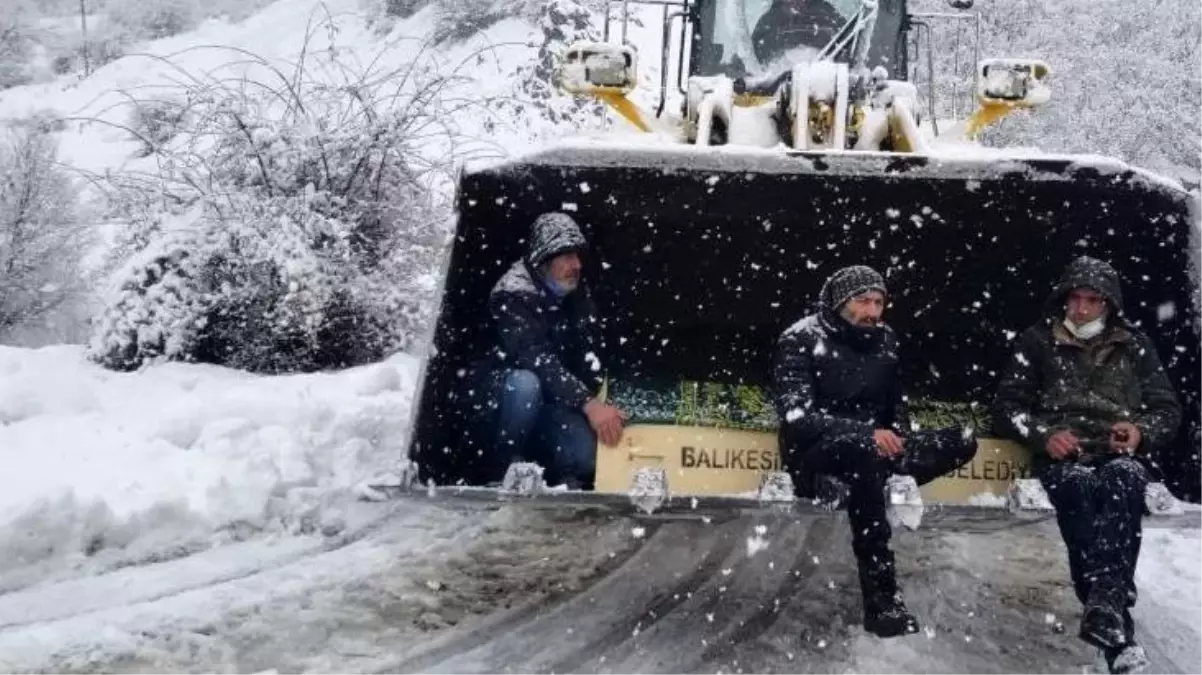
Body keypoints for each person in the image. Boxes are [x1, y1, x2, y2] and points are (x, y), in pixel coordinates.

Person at [991, 256, 1182, 674]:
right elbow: (1007, 407)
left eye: (1091, 300)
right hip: (1064, 457)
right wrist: (1045, 435)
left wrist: (1139, 431)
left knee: (1124, 479)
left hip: (1118, 455)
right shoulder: (1036, 341)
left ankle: (1105, 604)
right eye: (1074, 298)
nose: (1079, 308)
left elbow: (1167, 409)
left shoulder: (1135, 345)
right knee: (1076, 488)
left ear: (1108, 304)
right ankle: (1113, 621)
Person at [773, 264, 978, 638]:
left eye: (878, 302)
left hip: (873, 447)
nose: (871, 311)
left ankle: (872, 477)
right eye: (862, 302)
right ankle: (882, 602)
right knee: (864, 457)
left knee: (962, 439)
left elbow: (894, 405)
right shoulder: (799, 338)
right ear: (839, 303)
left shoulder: (886, 340)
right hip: (816, 451)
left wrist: (895, 435)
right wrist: (866, 434)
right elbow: (796, 416)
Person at [463, 212, 626, 490]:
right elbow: (534, 358)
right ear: (542, 260)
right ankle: (500, 468)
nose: (577, 265)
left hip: (549, 402)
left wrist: (606, 398)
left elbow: (588, 354)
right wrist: (589, 404)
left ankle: (553, 472)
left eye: (577, 256)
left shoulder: (572, 295)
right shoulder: (511, 295)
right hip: (496, 406)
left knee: (587, 457)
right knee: (525, 385)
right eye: (566, 256)